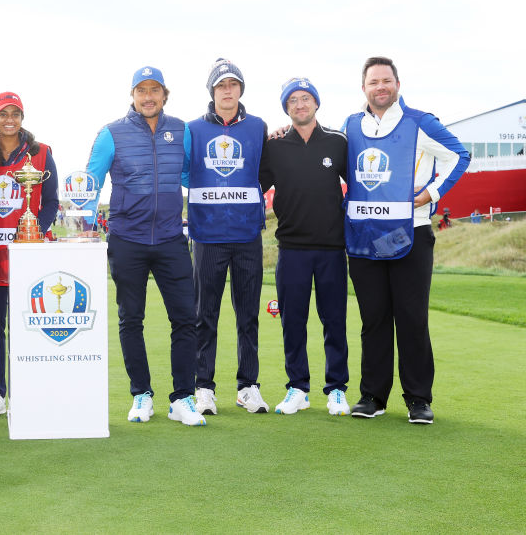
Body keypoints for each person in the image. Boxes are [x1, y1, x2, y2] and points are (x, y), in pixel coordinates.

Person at [345, 56, 469, 424]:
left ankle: (418, 398)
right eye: (373, 81)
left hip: (409, 232)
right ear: (363, 87)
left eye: (386, 80)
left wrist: (430, 194)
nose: (380, 87)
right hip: (366, 235)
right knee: (374, 318)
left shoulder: (419, 122)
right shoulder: (351, 125)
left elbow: (458, 156)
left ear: (397, 84)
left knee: (411, 317)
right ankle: (373, 396)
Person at [86, 66, 205, 427]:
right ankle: (141, 395)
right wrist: (88, 226)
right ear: (133, 95)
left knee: (185, 319)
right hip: (127, 240)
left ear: (165, 95)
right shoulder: (111, 133)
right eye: (142, 90)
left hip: (171, 239)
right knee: (130, 319)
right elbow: (90, 181)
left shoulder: (181, 130)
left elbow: (189, 175)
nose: (148, 96)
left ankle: (183, 397)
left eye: (155, 90)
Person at [258, 77, 350, 416]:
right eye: (293, 100)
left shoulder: (339, 142)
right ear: (286, 107)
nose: (300, 104)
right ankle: (298, 388)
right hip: (292, 249)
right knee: (292, 321)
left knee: (334, 320)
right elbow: (253, 185)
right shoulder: (276, 145)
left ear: (316, 103)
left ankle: (337, 388)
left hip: (331, 248)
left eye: (306, 98)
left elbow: (359, 187)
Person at [184, 59, 270, 415]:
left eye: (233, 85)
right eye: (222, 86)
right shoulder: (192, 129)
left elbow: (265, 171)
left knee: (248, 315)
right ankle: (204, 387)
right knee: (205, 315)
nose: (228, 90)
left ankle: (247, 386)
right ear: (212, 91)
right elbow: (186, 174)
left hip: (248, 233)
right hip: (207, 235)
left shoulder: (259, 127)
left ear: (240, 90)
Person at [0, 92, 59, 418]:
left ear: (22, 117)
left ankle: (25, 392)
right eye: (2, 113)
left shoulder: (41, 153)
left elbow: (50, 201)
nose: (9, 119)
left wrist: (35, 231)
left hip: (29, 255)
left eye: (15, 113)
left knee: (27, 325)